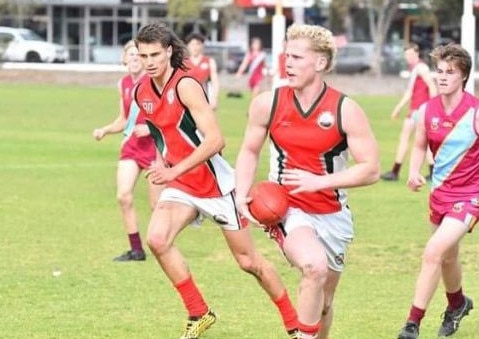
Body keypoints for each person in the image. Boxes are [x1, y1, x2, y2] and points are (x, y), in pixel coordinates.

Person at [133, 22, 297, 339]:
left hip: (215, 186)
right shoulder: (143, 92)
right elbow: (161, 139)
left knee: (249, 262)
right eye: (143, 56)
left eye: (155, 54)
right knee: (157, 239)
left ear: (169, 51)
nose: (149, 61)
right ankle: (199, 312)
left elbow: (216, 140)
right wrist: (160, 176)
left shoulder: (187, 86)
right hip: (181, 186)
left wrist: (173, 172)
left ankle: (294, 325)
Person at [235, 23, 380, 339]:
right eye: (287, 56)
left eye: (298, 58)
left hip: (333, 213)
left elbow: (371, 169)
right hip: (287, 208)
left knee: (324, 303)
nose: (288, 64)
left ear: (321, 63)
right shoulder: (267, 103)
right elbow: (248, 150)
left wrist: (320, 182)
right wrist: (241, 194)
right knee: (314, 267)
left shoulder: (346, 109)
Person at [396, 44, 479, 339]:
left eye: (450, 72)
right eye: (439, 71)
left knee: (433, 252)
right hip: (440, 194)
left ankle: (412, 324)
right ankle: (458, 304)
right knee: (447, 257)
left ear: (463, 76)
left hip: (471, 196)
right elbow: (421, 144)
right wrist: (412, 171)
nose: (442, 77)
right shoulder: (427, 110)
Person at [92, 40, 162, 262]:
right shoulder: (122, 84)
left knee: (156, 205)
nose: (133, 58)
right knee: (123, 196)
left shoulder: (153, 83)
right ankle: (136, 250)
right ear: (124, 59)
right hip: (132, 147)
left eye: (137, 55)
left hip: (155, 148)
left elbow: (169, 116)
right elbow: (124, 120)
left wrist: (150, 127)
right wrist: (105, 130)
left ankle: (164, 243)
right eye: (129, 54)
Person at [381, 42, 437, 182]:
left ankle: (395, 172)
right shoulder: (415, 69)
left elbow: (432, 86)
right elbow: (409, 92)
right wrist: (398, 108)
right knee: (417, 140)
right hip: (415, 110)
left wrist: (433, 107)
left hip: (420, 110)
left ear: (417, 54)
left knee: (412, 139)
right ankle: (431, 172)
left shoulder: (421, 68)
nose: (408, 57)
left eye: (411, 54)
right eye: (406, 55)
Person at [184, 32, 220, 110]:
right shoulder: (183, 63)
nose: (195, 47)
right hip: (187, 100)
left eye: (198, 44)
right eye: (192, 44)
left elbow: (215, 81)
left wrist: (214, 98)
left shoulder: (209, 61)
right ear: (188, 46)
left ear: (202, 45)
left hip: (204, 99)